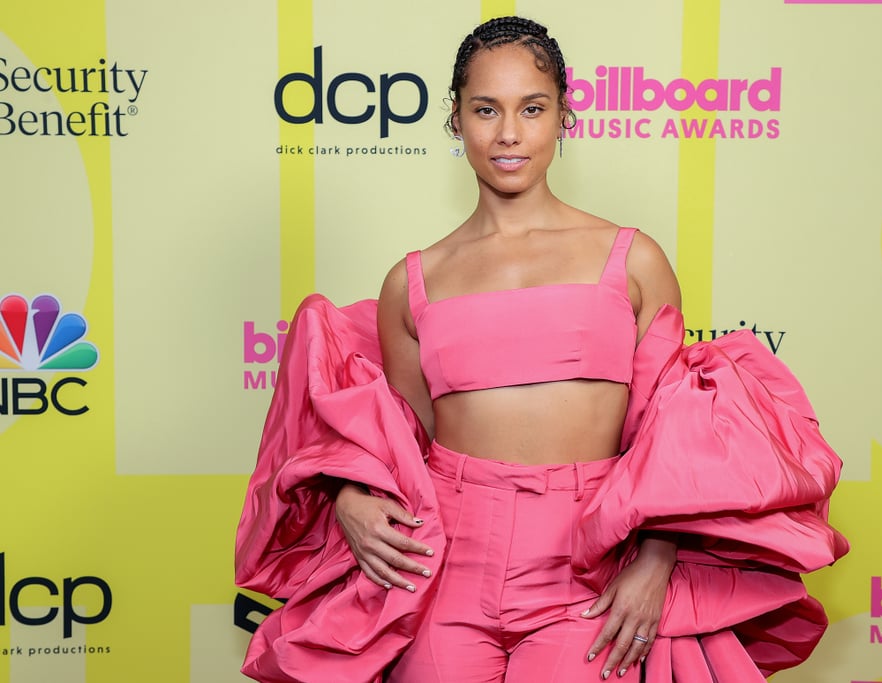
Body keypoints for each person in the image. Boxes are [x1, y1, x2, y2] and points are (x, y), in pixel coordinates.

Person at [235, 16, 848, 683]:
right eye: (485, 110)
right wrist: (353, 492)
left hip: (590, 563)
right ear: (455, 120)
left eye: (532, 108)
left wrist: (658, 559)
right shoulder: (411, 281)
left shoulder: (632, 259)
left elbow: (671, 431)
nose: (508, 133)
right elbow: (401, 439)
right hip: (442, 562)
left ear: (563, 116)